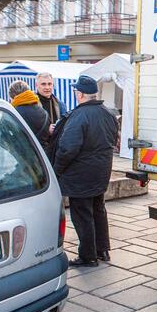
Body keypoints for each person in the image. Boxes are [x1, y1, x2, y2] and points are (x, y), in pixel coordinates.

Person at [52, 75, 118, 267]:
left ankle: (88, 256)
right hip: (101, 172)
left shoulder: (79, 116)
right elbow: (113, 140)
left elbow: (68, 148)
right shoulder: (108, 113)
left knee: (82, 214)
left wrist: (57, 170)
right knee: (99, 210)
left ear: (79, 94)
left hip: (80, 175)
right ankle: (102, 250)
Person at [8, 80, 50, 147]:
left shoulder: (12, 113)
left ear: (13, 96)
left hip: (21, 154)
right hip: (41, 154)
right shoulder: (45, 113)